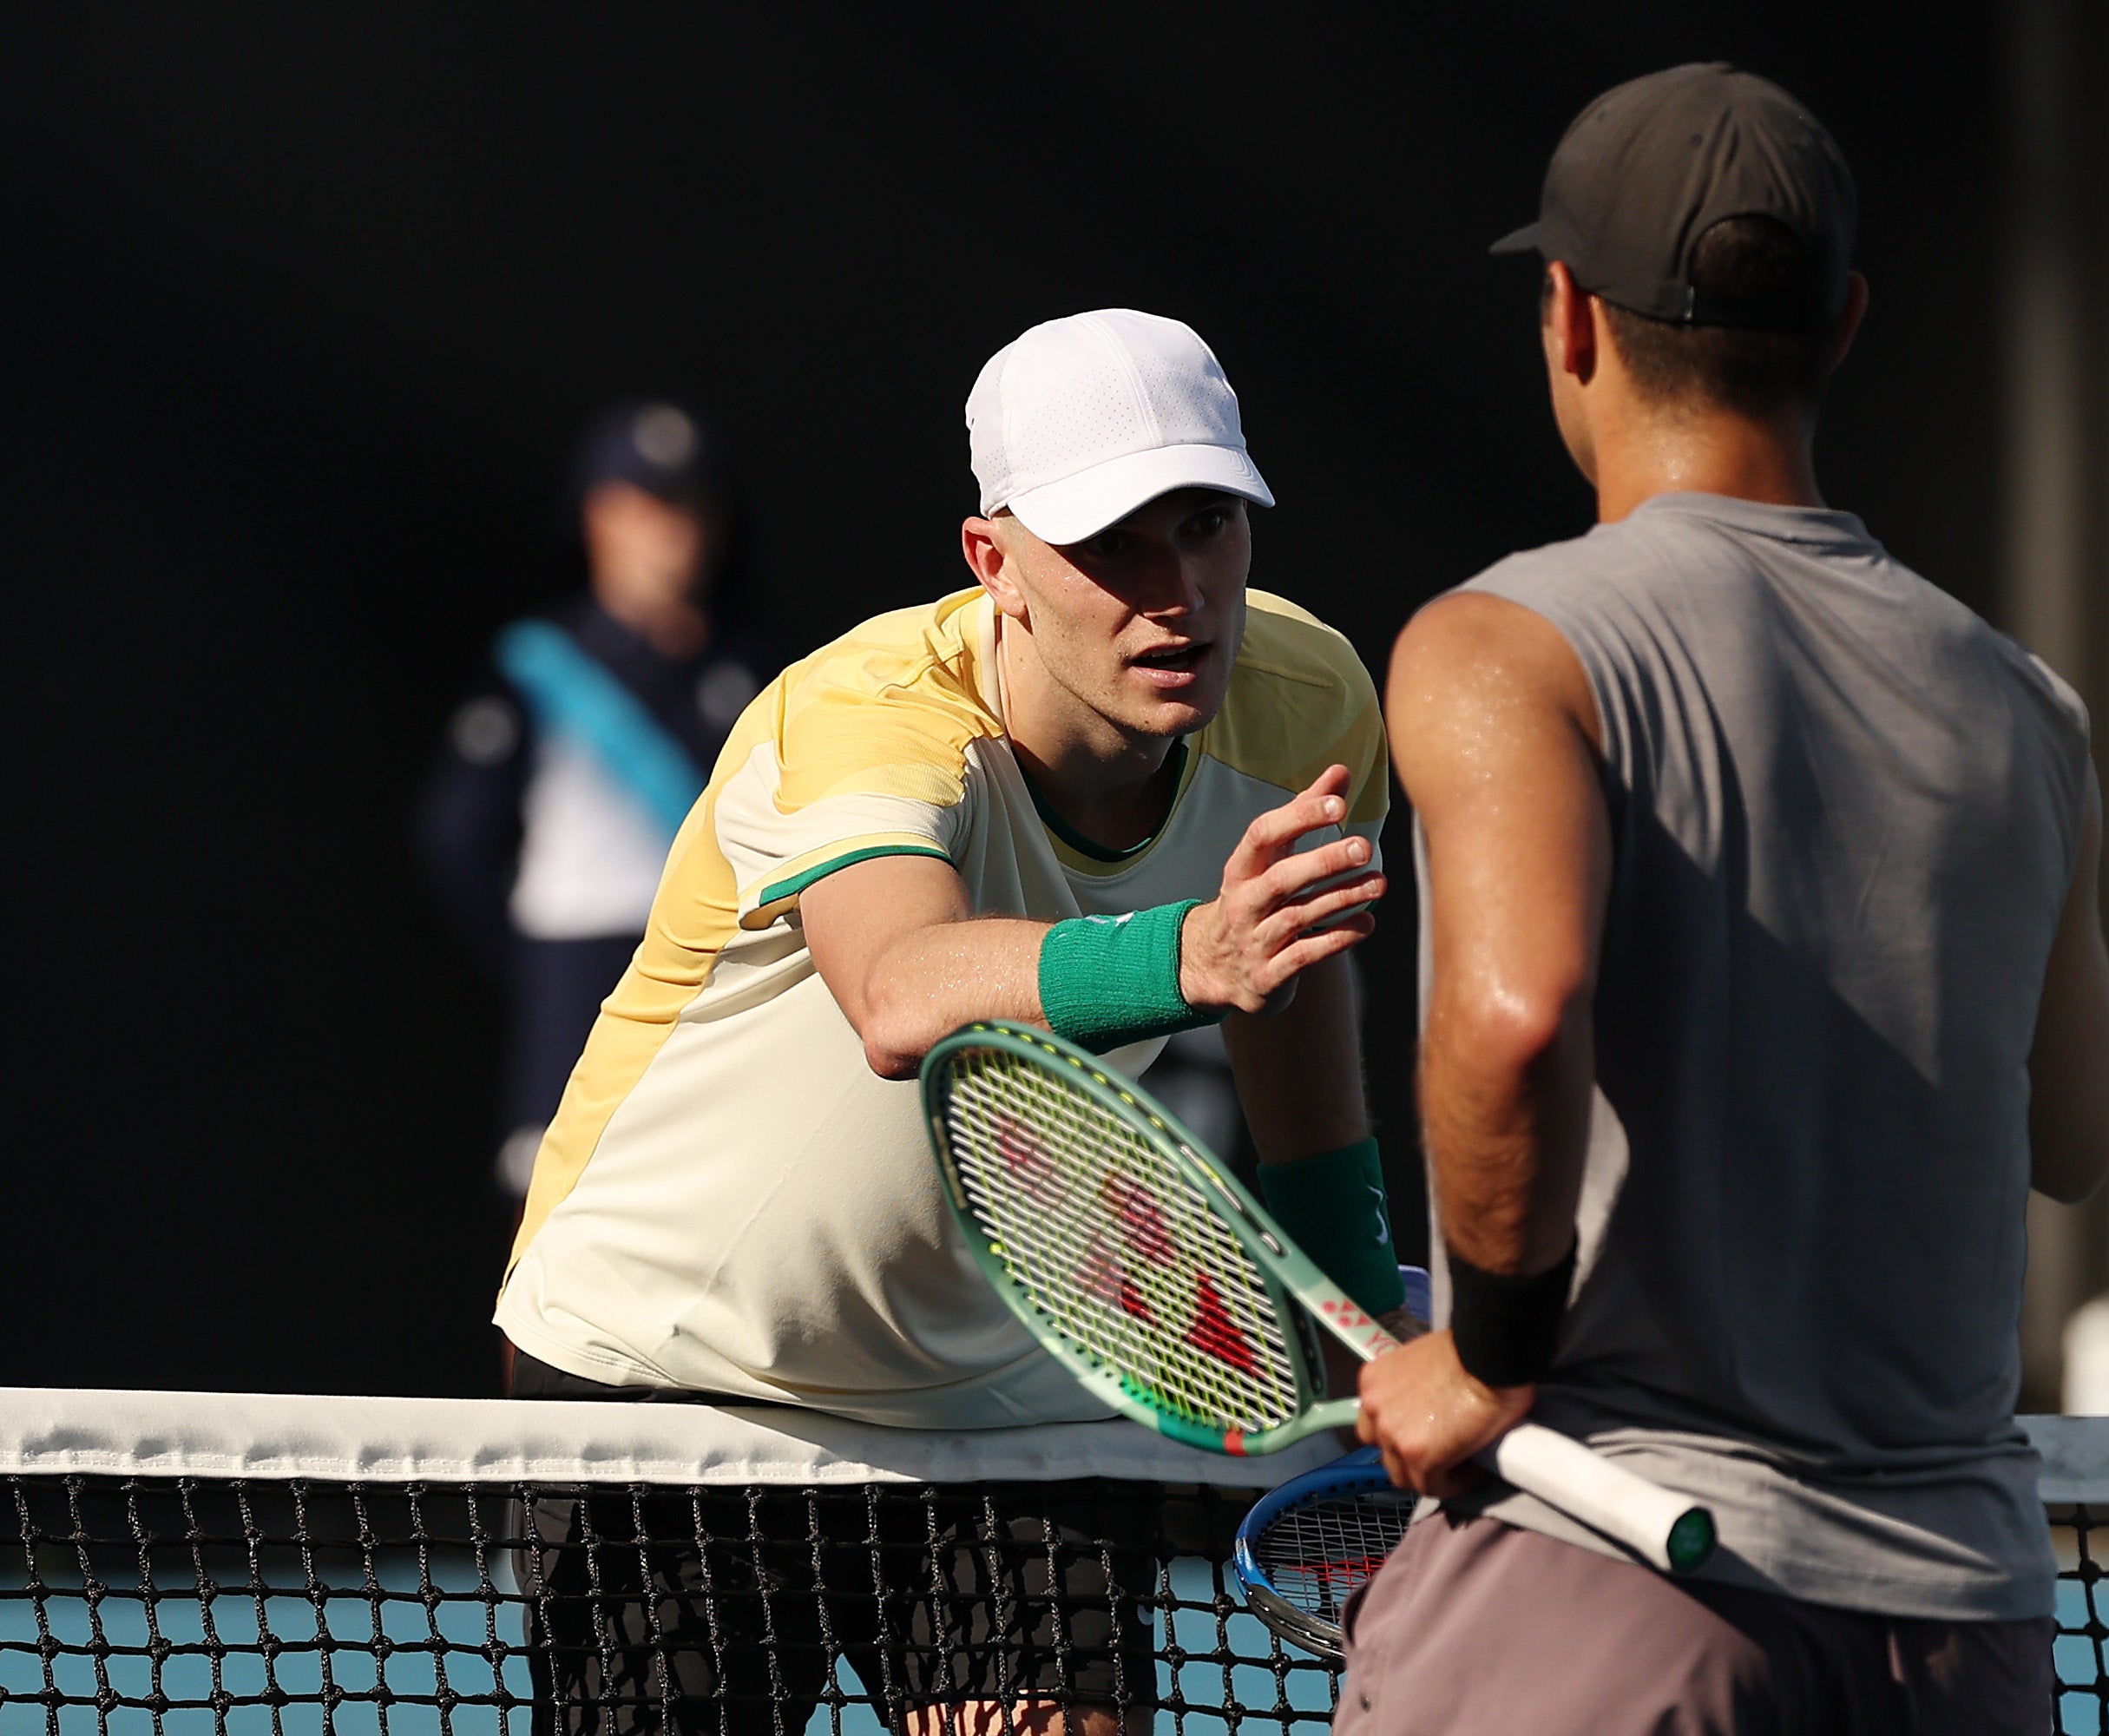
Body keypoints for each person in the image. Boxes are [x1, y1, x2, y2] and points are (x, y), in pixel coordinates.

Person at [1344, 65, 2109, 1734]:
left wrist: (1484, 1361)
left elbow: (1515, 1016)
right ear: (1842, 324)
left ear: (1567, 317)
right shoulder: (2029, 711)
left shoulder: (1502, 647)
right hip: (1960, 1647)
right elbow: (2075, 1134)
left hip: (1609, 1598)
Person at [495, 310, 1410, 1734]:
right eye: (1113, 546)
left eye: (1209, 526)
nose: (1178, 593)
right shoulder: (864, 714)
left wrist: (1360, 1358)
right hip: (675, 1379)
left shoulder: (1309, 705)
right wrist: (1190, 946)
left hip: (1001, 1401)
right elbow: (902, 991)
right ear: (996, 567)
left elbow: (1297, 1032)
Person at [417, 400, 768, 1208]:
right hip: (575, 980)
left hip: (715, 986)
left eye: (693, 507)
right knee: (558, 1229)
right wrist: (537, 969)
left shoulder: (752, 670)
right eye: (650, 506)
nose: (674, 532)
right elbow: (456, 839)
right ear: (598, 516)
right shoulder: (539, 664)